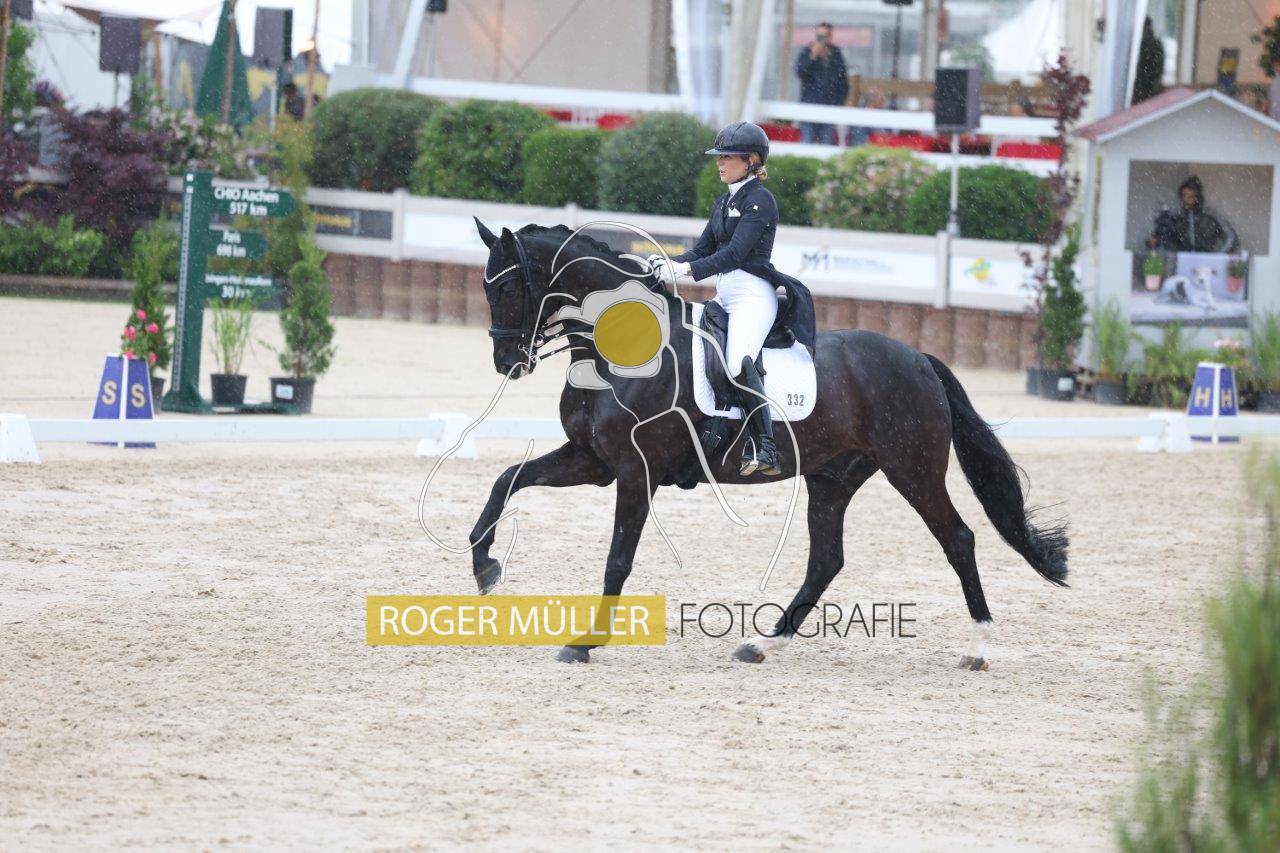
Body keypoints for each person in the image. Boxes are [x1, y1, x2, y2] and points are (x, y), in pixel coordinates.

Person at [648, 122, 816, 478]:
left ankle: (766, 446)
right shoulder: (723, 202)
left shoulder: (760, 200)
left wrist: (686, 271)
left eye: (727, 157)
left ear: (751, 160)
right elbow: (703, 249)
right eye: (719, 157)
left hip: (753, 294)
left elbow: (735, 254)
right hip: (725, 293)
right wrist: (666, 262)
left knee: (739, 361)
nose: (719, 163)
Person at [1147, 175, 1238, 253]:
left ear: (1197, 197)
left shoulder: (1210, 216)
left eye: (1190, 196)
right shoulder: (1177, 217)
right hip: (1182, 260)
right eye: (1184, 196)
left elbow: (1231, 237)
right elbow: (1164, 237)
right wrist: (1157, 241)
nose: (1186, 200)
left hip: (1207, 261)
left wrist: (1218, 256)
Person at [794, 22, 849, 145]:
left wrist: (838, 103)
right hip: (809, 107)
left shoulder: (835, 53)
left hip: (829, 107)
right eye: (819, 36)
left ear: (830, 36)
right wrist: (812, 57)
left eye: (825, 36)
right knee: (806, 142)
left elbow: (842, 81)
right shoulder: (807, 51)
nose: (822, 40)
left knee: (826, 142)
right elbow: (800, 72)